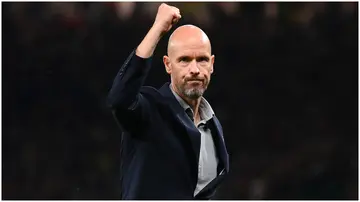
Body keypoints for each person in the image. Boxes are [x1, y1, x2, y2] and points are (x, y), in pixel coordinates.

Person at [107, 3, 229, 200]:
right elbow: (120, 99)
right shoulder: (151, 110)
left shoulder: (213, 126)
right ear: (167, 65)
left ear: (212, 64)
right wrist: (157, 29)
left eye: (202, 60)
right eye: (184, 60)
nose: (195, 69)